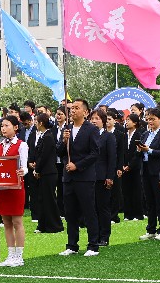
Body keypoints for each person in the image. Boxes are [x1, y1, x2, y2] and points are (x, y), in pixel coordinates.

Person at [58, 99, 101, 257]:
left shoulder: (91, 129)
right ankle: (72, 245)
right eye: (72, 108)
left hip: (84, 177)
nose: (73, 111)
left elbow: (94, 153)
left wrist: (78, 165)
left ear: (85, 112)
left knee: (89, 211)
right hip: (68, 177)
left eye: (77, 108)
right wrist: (64, 141)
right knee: (70, 212)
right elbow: (59, 152)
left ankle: (93, 245)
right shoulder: (67, 129)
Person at [0, 115, 28, 267]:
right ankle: (10, 254)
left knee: (17, 221)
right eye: (2, 126)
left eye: (6, 125)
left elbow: (24, 166)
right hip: (2, 188)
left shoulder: (21, 145)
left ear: (15, 127)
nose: (3, 129)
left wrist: (22, 172)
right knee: (6, 222)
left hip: (16, 187)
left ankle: (19, 256)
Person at [137, 108, 160, 241]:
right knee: (149, 201)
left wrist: (149, 150)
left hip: (157, 171)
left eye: (153, 119)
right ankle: (151, 229)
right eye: (148, 119)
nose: (150, 122)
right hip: (145, 170)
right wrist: (139, 150)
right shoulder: (145, 134)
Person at [30, 112, 63, 233]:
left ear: (41, 123)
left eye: (36, 121)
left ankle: (55, 225)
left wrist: (37, 169)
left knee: (49, 200)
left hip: (49, 173)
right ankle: (42, 225)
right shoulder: (43, 136)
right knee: (42, 199)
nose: (35, 123)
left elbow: (44, 156)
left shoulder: (48, 136)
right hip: (44, 172)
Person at [91, 109, 117, 246]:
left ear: (103, 121)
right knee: (92, 208)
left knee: (103, 207)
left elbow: (112, 158)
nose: (94, 121)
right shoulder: (89, 136)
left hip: (102, 176)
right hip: (89, 176)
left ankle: (104, 236)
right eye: (92, 119)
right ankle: (95, 235)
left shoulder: (108, 136)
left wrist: (110, 177)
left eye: (97, 119)